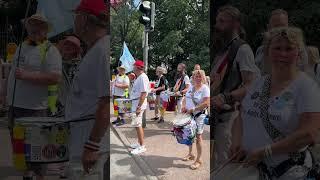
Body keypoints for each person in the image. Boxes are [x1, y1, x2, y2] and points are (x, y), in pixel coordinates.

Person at [229, 26, 320, 180]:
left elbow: (309, 134)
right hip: (254, 167)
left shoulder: (307, 87)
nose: (282, 54)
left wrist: (266, 151)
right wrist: (237, 142)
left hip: (290, 171)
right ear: (268, 51)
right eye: (277, 48)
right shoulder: (258, 83)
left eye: (289, 48)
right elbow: (240, 117)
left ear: (298, 52)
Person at [6, 13, 62, 180]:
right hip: (14, 105)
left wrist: (26, 76)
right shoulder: (22, 46)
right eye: (32, 24)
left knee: (37, 149)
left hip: (35, 108)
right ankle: (27, 173)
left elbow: (55, 77)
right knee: (19, 146)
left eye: (39, 25)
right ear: (27, 27)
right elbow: (12, 73)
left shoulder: (50, 50)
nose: (35, 28)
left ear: (45, 31)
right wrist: (4, 94)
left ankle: (39, 176)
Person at [211, 5, 260, 168]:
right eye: (217, 21)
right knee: (218, 166)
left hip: (230, 119)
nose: (217, 26)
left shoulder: (243, 49)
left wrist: (227, 96)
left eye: (222, 22)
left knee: (226, 167)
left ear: (235, 24)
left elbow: (252, 84)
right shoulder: (222, 51)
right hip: (218, 118)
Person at [64, 0, 109, 177]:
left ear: (83, 19)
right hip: (83, 136)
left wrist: (92, 145)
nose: (74, 20)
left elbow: (106, 103)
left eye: (76, 16)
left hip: (89, 141)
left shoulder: (103, 50)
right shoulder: (97, 49)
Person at [255, 9, 308, 74]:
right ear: (268, 28)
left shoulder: (298, 50)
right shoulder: (260, 51)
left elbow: (302, 74)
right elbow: (261, 75)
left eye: (283, 26)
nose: (280, 31)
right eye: (276, 27)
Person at [181, 70, 209, 170]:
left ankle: (199, 160)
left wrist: (193, 109)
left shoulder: (205, 88)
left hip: (199, 115)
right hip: (189, 115)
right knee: (189, 134)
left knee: (198, 137)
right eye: (195, 76)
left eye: (199, 76)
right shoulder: (191, 88)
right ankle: (191, 154)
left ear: (203, 77)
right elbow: (185, 99)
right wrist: (184, 106)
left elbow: (206, 103)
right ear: (192, 78)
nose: (197, 78)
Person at [57, 35, 82, 114]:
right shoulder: (55, 61)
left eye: (72, 45)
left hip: (75, 104)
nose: (68, 46)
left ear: (76, 49)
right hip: (57, 103)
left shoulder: (80, 65)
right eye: (66, 44)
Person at [129, 60, 150, 155]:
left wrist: (138, 107)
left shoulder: (143, 77)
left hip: (138, 103)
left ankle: (142, 146)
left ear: (137, 67)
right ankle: (139, 143)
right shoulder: (139, 77)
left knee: (138, 125)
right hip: (136, 102)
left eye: (134, 66)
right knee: (137, 124)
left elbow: (144, 93)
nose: (132, 68)